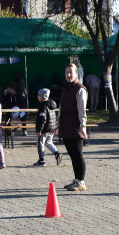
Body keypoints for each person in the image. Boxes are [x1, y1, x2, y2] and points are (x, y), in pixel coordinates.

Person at [59, 63, 88, 191]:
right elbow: (61, 108)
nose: (69, 75)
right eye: (67, 73)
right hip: (66, 126)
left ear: (77, 74)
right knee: (72, 155)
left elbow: (82, 110)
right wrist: (57, 126)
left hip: (76, 127)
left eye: (71, 72)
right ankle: (76, 180)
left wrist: (83, 125)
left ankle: (81, 182)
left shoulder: (80, 89)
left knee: (78, 154)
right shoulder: (66, 88)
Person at [34, 88, 62, 167]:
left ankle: (41, 161)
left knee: (40, 143)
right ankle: (57, 154)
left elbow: (42, 119)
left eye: (38, 95)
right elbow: (53, 117)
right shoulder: (51, 104)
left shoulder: (43, 106)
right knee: (49, 142)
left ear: (42, 96)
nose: (37, 96)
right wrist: (55, 127)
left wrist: (39, 129)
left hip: (45, 129)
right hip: (52, 127)